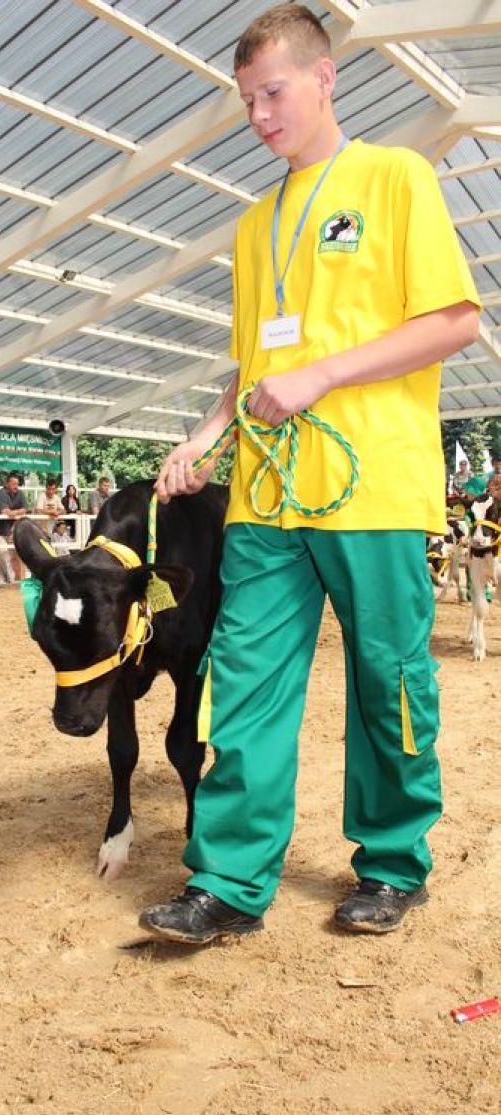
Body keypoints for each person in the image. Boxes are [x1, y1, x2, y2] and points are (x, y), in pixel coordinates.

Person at [139, 3, 480, 946]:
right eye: (247, 100)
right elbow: (255, 366)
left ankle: (393, 865)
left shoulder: (396, 177)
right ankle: (228, 881)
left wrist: (322, 375)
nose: (259, 116)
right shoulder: (254, 227)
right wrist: (204, 436)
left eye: (273, 93)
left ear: (325, 79)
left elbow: (454, 321)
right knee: (243, 680)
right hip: (265, 496)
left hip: (373, 487)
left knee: (388, 679)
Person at [0, 472, 27, 584]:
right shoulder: (1, 493)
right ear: (7, 484)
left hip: (12, 532)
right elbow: (4, 511)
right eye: (13, 484)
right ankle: (11, 580)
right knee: (4, 556)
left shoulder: (20, 493)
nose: (16, 486)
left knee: (4, 558)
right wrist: (17, 512)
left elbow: (24, 510)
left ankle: (0, 583)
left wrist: (13, 513)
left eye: (17, 484)